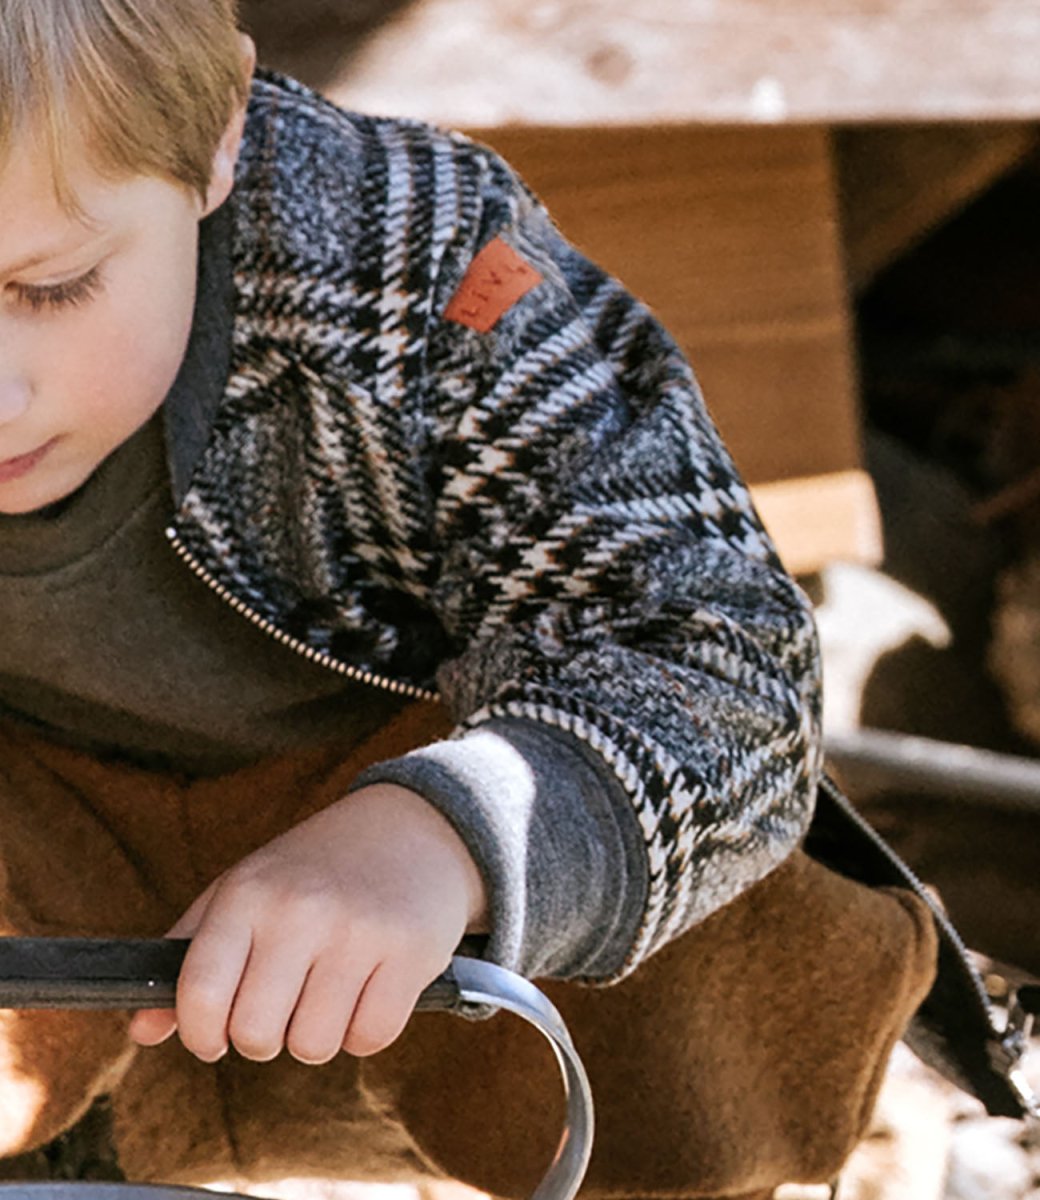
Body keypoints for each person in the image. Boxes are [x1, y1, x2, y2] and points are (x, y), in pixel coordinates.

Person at [0, 1, 978, 1195]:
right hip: (44, 845)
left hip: (433, 856)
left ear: (214, 135)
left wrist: (452, 834)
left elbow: (715, 658)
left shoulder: (414, 264)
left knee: (649, 855)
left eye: (50, 287)